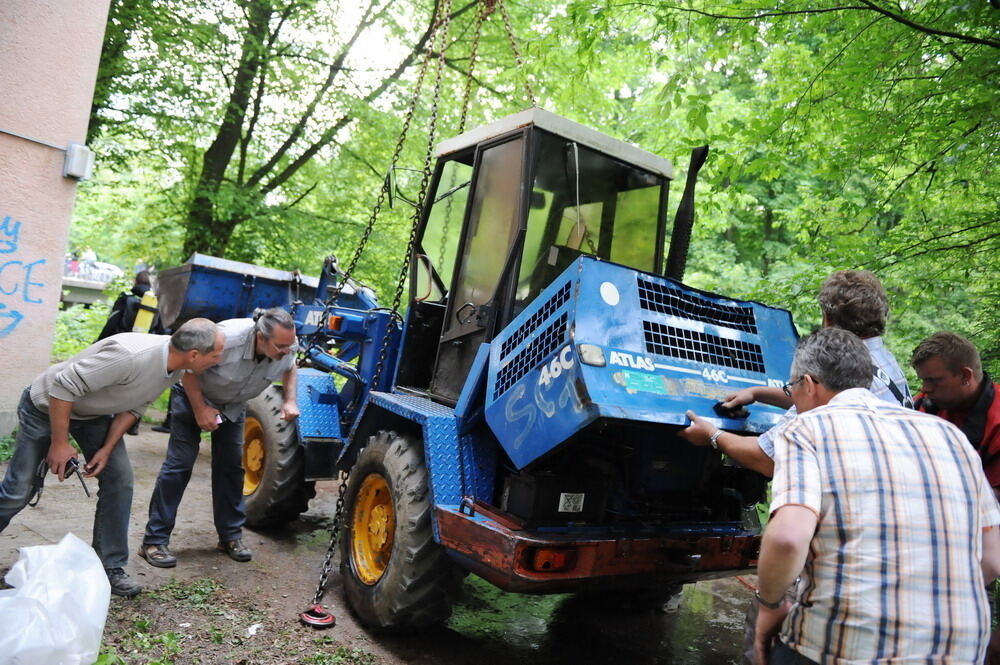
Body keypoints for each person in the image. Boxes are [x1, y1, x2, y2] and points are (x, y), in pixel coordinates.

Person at [753, 327, 1000, 664]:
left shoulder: (806, 428)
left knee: (769, 644)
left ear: (808, 385)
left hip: (845, 649)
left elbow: (787, 540)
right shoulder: (949, 435)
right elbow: (991, 559)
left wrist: (770, 606)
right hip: (960, 652)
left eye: (792, 389)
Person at [0, 319, 224, 597]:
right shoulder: (130, 356)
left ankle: (110, 566)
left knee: (119, 481)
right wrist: (60, 442)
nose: (220, 360)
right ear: (194, 354)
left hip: (92, 415)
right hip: (46, 407)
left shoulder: (176, 368)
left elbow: (134, 407)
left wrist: (105, 449)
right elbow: (62, 386)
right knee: (18, 491)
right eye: (216, 355)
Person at [680, 269, 912, 476]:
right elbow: (819, 398)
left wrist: (712, 435)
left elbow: (767, 457)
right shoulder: (884, 361)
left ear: (828, 319)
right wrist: (758, 393)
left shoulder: (841, 365)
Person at [139, 308, 300, 568]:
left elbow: (291, 367)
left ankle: (229, 537)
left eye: (289, 345)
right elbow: (189, 370)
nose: (286, 350)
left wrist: (290, 400)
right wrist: (200, 409)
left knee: (231, 469)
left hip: (234, 404)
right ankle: (154, 541)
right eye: (280, 346)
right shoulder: (226, 338)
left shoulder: (287, 344)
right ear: (260, 337)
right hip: (194, 396)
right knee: (179, 466)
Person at [911, 331, 1000, 498]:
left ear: (965, 376)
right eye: (923, 380)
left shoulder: (996, 420)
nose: (925, 388)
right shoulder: (922, 406)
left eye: (934, 380)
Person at [96, 270, 163, 341]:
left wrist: (99, 341)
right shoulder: (158, 303)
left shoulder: (125, 298)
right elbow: (161, 331)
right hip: (145, 345)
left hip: (121, 341)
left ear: (135, 281)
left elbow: (112, 322)